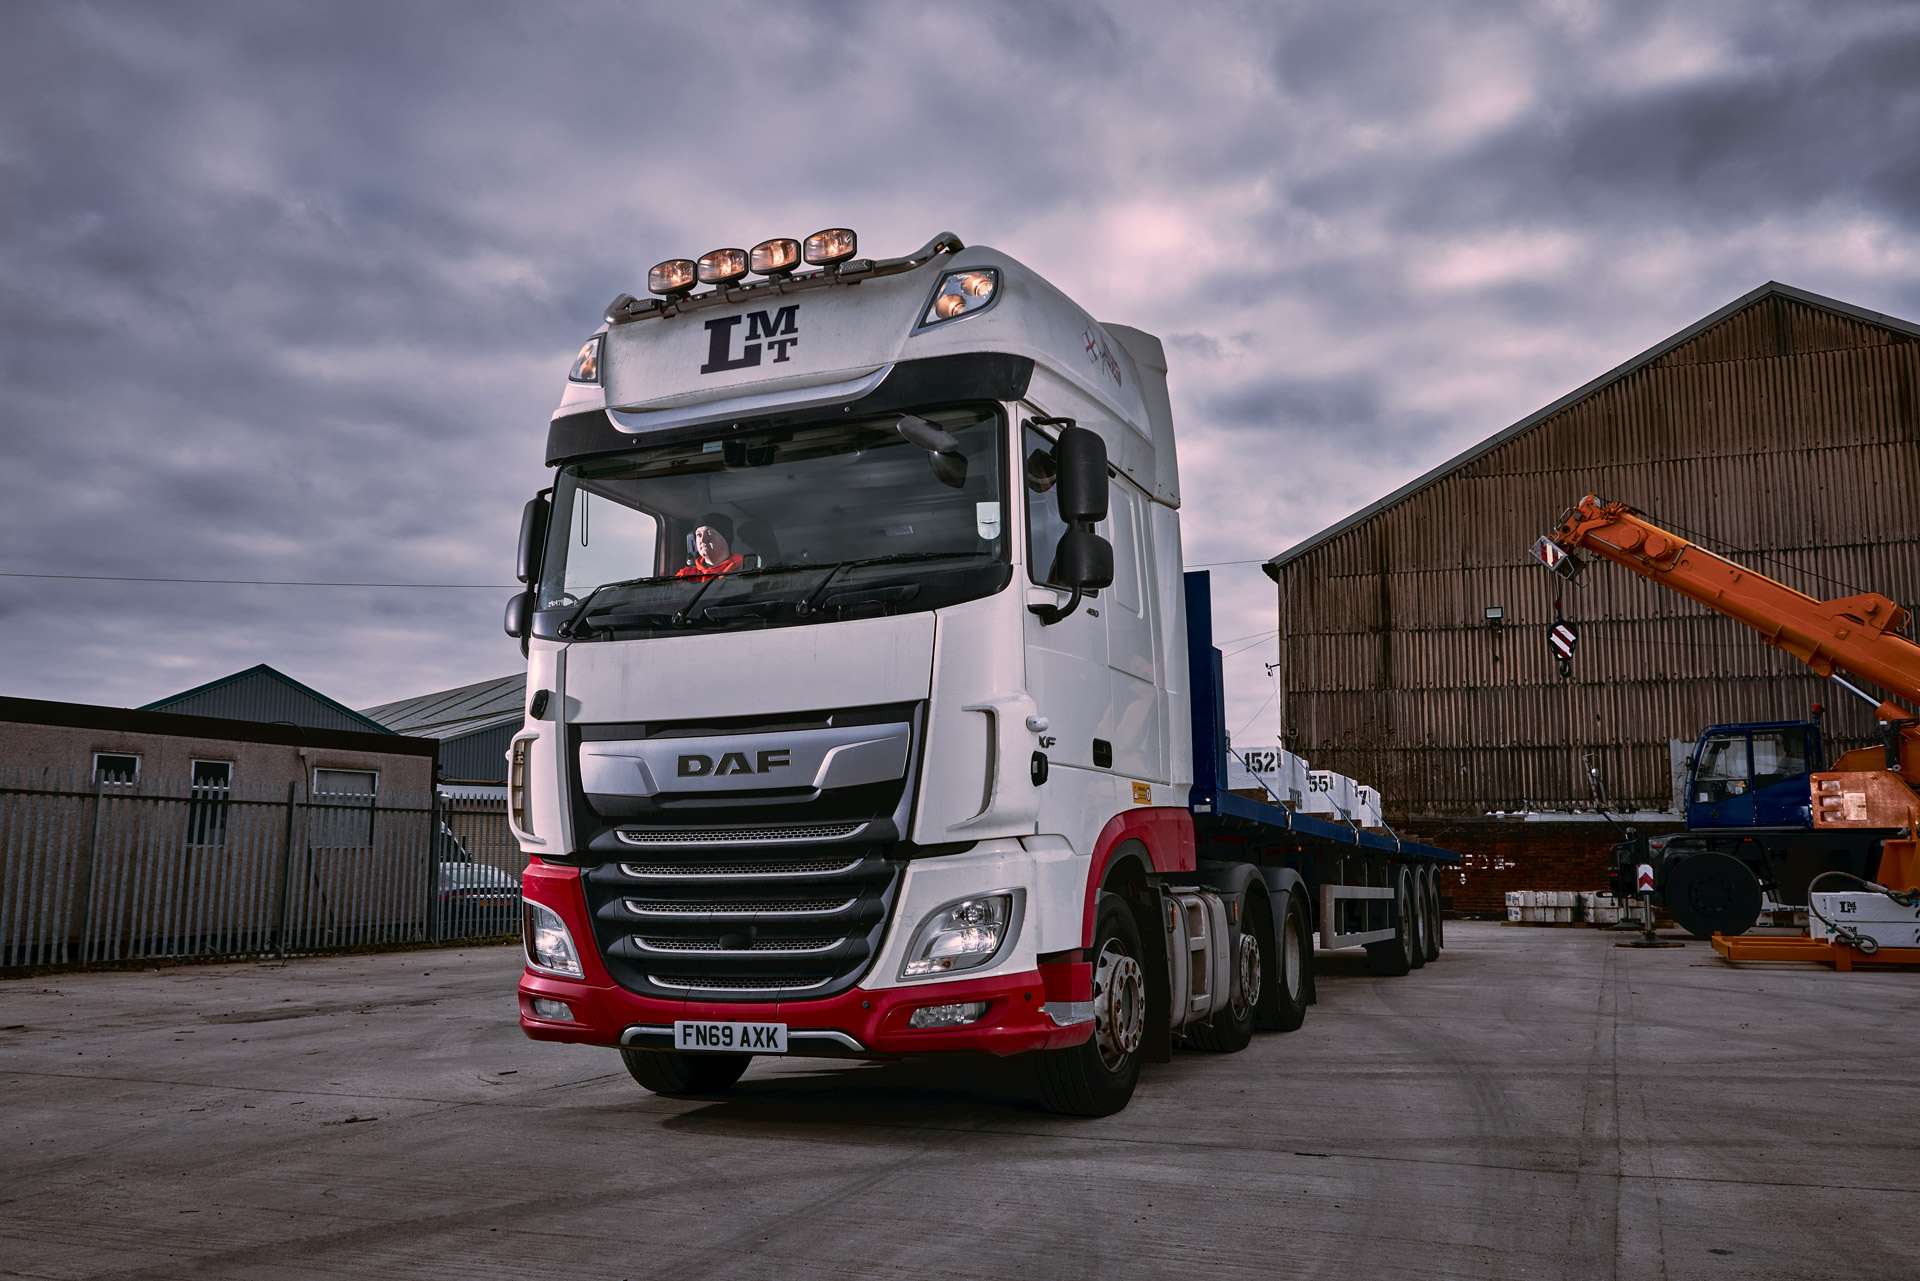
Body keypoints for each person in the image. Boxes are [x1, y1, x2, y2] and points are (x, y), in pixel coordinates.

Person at [676, 512, 744, 580]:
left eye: (709, 533)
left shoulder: (744, 569)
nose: (702, 540)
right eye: (699, 535)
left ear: (726, 538)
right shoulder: (686, 575)